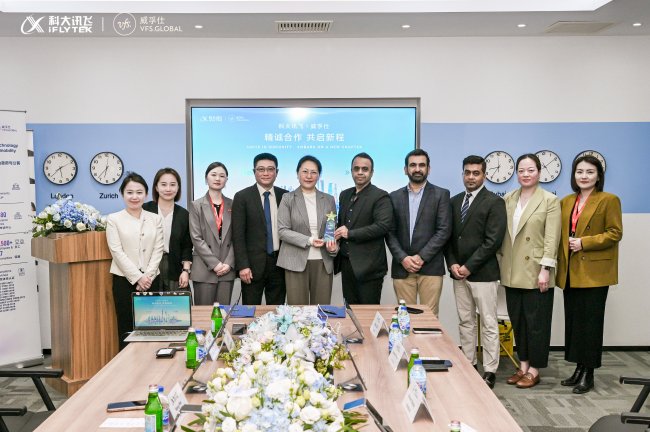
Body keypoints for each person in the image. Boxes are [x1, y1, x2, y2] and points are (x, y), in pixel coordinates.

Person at [556, 155, 622, 394]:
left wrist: (585, 242)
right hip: (570, 273)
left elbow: (615, 233)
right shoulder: (566, 201)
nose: (584, 176)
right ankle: (578, 368)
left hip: (594, 274)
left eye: (590, 172)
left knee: (591, 325)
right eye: (579, 172)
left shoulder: (609, 200)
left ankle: (589, 373)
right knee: (575, 324)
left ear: (598, 176)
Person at [444, 155, 506, 389]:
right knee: (465, 321)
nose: (471, 177)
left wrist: (468, 266)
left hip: (483, 274)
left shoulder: (494, 202)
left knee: (488, 322)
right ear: (462, 174)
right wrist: (452, 264)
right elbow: (449, 238)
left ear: (484, 175)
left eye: (476, 173)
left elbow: (493, 241)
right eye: (467, 172)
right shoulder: (454, 201)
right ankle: (469, 364)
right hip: (458, 273)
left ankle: (490, 370)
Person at [499, 153, 561, 389]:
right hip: (511, 270)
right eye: (521, 170)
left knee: (537, 324)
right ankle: (523, 366)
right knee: (519, 322)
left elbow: (552, 239)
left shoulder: (549, 200)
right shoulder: (508, 198)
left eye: (531, 170)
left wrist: (546, 269)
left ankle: (535, 369)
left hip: (536, 271)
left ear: (539, 172)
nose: (526, 174)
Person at [386, 148, 451, 316]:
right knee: (405, 317)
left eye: (422, 165)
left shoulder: (441, 194)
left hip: (430, 267)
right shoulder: (393, 197)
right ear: (405, 169)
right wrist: (403, 258)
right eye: (413, 165)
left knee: (429, 318)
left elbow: (444, 230)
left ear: (428, 169)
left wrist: (421, 257)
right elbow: (390, 232)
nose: (417, 169)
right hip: (402, 268)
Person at [106, 172, 164, 350]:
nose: (134, 197)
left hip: (151, 280)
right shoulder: (114, 219)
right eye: (129, 192)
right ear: (122, 194)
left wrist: (147, 277)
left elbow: (158, 250)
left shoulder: (155, 218)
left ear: (146, 194)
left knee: (152, 329)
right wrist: (138, 277)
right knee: (126, 329)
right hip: (124, 281)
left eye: (139, 192)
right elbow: (117, 251)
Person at [277, 156, 338, 305]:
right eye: (305, 171)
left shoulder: (329, 199)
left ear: (319, 175)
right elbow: (282, 230)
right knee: (297, 311)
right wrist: (310, 240)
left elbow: (331, 230)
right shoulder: (288, 198)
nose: (309, 176)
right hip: (295, 261)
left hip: (323, 261)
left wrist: (333, 247)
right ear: (297, 173)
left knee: (321, 310)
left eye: (313, 172)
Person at [335, 152, 393, 304]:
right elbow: (341, 223)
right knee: (350, 310)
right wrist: (333, 240)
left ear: (372, 172)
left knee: (368, 313)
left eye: (365, 169)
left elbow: (382, 226)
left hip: (369, 267)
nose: (360, 172)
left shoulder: (380, 196)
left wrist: (350, 234)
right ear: (351, 171)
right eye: (356, 169)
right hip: (347, 264)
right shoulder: (344, 195)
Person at [232, 153, 288, 305]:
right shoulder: (242, 197)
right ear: (254, 172)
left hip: (280, 264)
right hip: (252, 266)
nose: (266, 173)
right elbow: (238, 235)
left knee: (277, 311)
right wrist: (243, 265)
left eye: (270, 169)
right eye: (261, 169)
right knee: (250, 311)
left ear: (277, 172)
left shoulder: (285, 196)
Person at [189, 162, 235, 305]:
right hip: (204, 269)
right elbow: (196, 238)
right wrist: (215, 264)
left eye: (222, 176)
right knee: (204, 314)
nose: (217, 178)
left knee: (223, 313)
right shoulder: (196, 205)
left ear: (226, 180)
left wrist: (228, 263)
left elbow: (237, 237)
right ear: (206, 178)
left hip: (227, 269)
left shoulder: (234, 204)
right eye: (213, 175)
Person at [142, 168, 192, 291]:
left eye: (173, 185)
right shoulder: (145, 209)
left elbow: (187, 246)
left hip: (174, 267)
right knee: (150, 302)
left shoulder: (184, 214)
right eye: (163, 184)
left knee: (177, 302)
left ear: (178, 187)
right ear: (156, 187)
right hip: (148, 268)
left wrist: (185, 271)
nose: (168, 189)